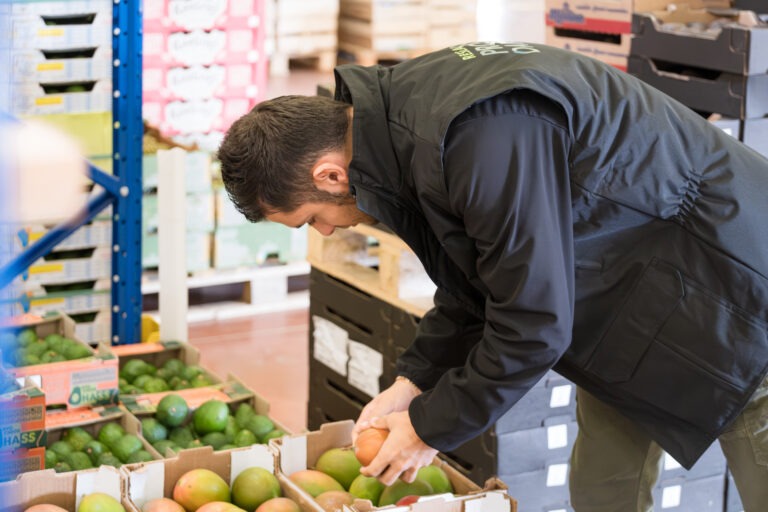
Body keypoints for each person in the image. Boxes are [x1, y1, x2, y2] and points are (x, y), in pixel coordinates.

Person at [218, 42, 768, 510]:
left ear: (330, 175)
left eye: (312, 219)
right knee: (604, 487)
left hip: (733, 292)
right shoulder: (401, 132)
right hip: (634, 302)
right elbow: (477, 279)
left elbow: (532, 322)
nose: (326, 233)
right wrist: (413, 384)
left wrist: (428, 429)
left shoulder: (476, 134)